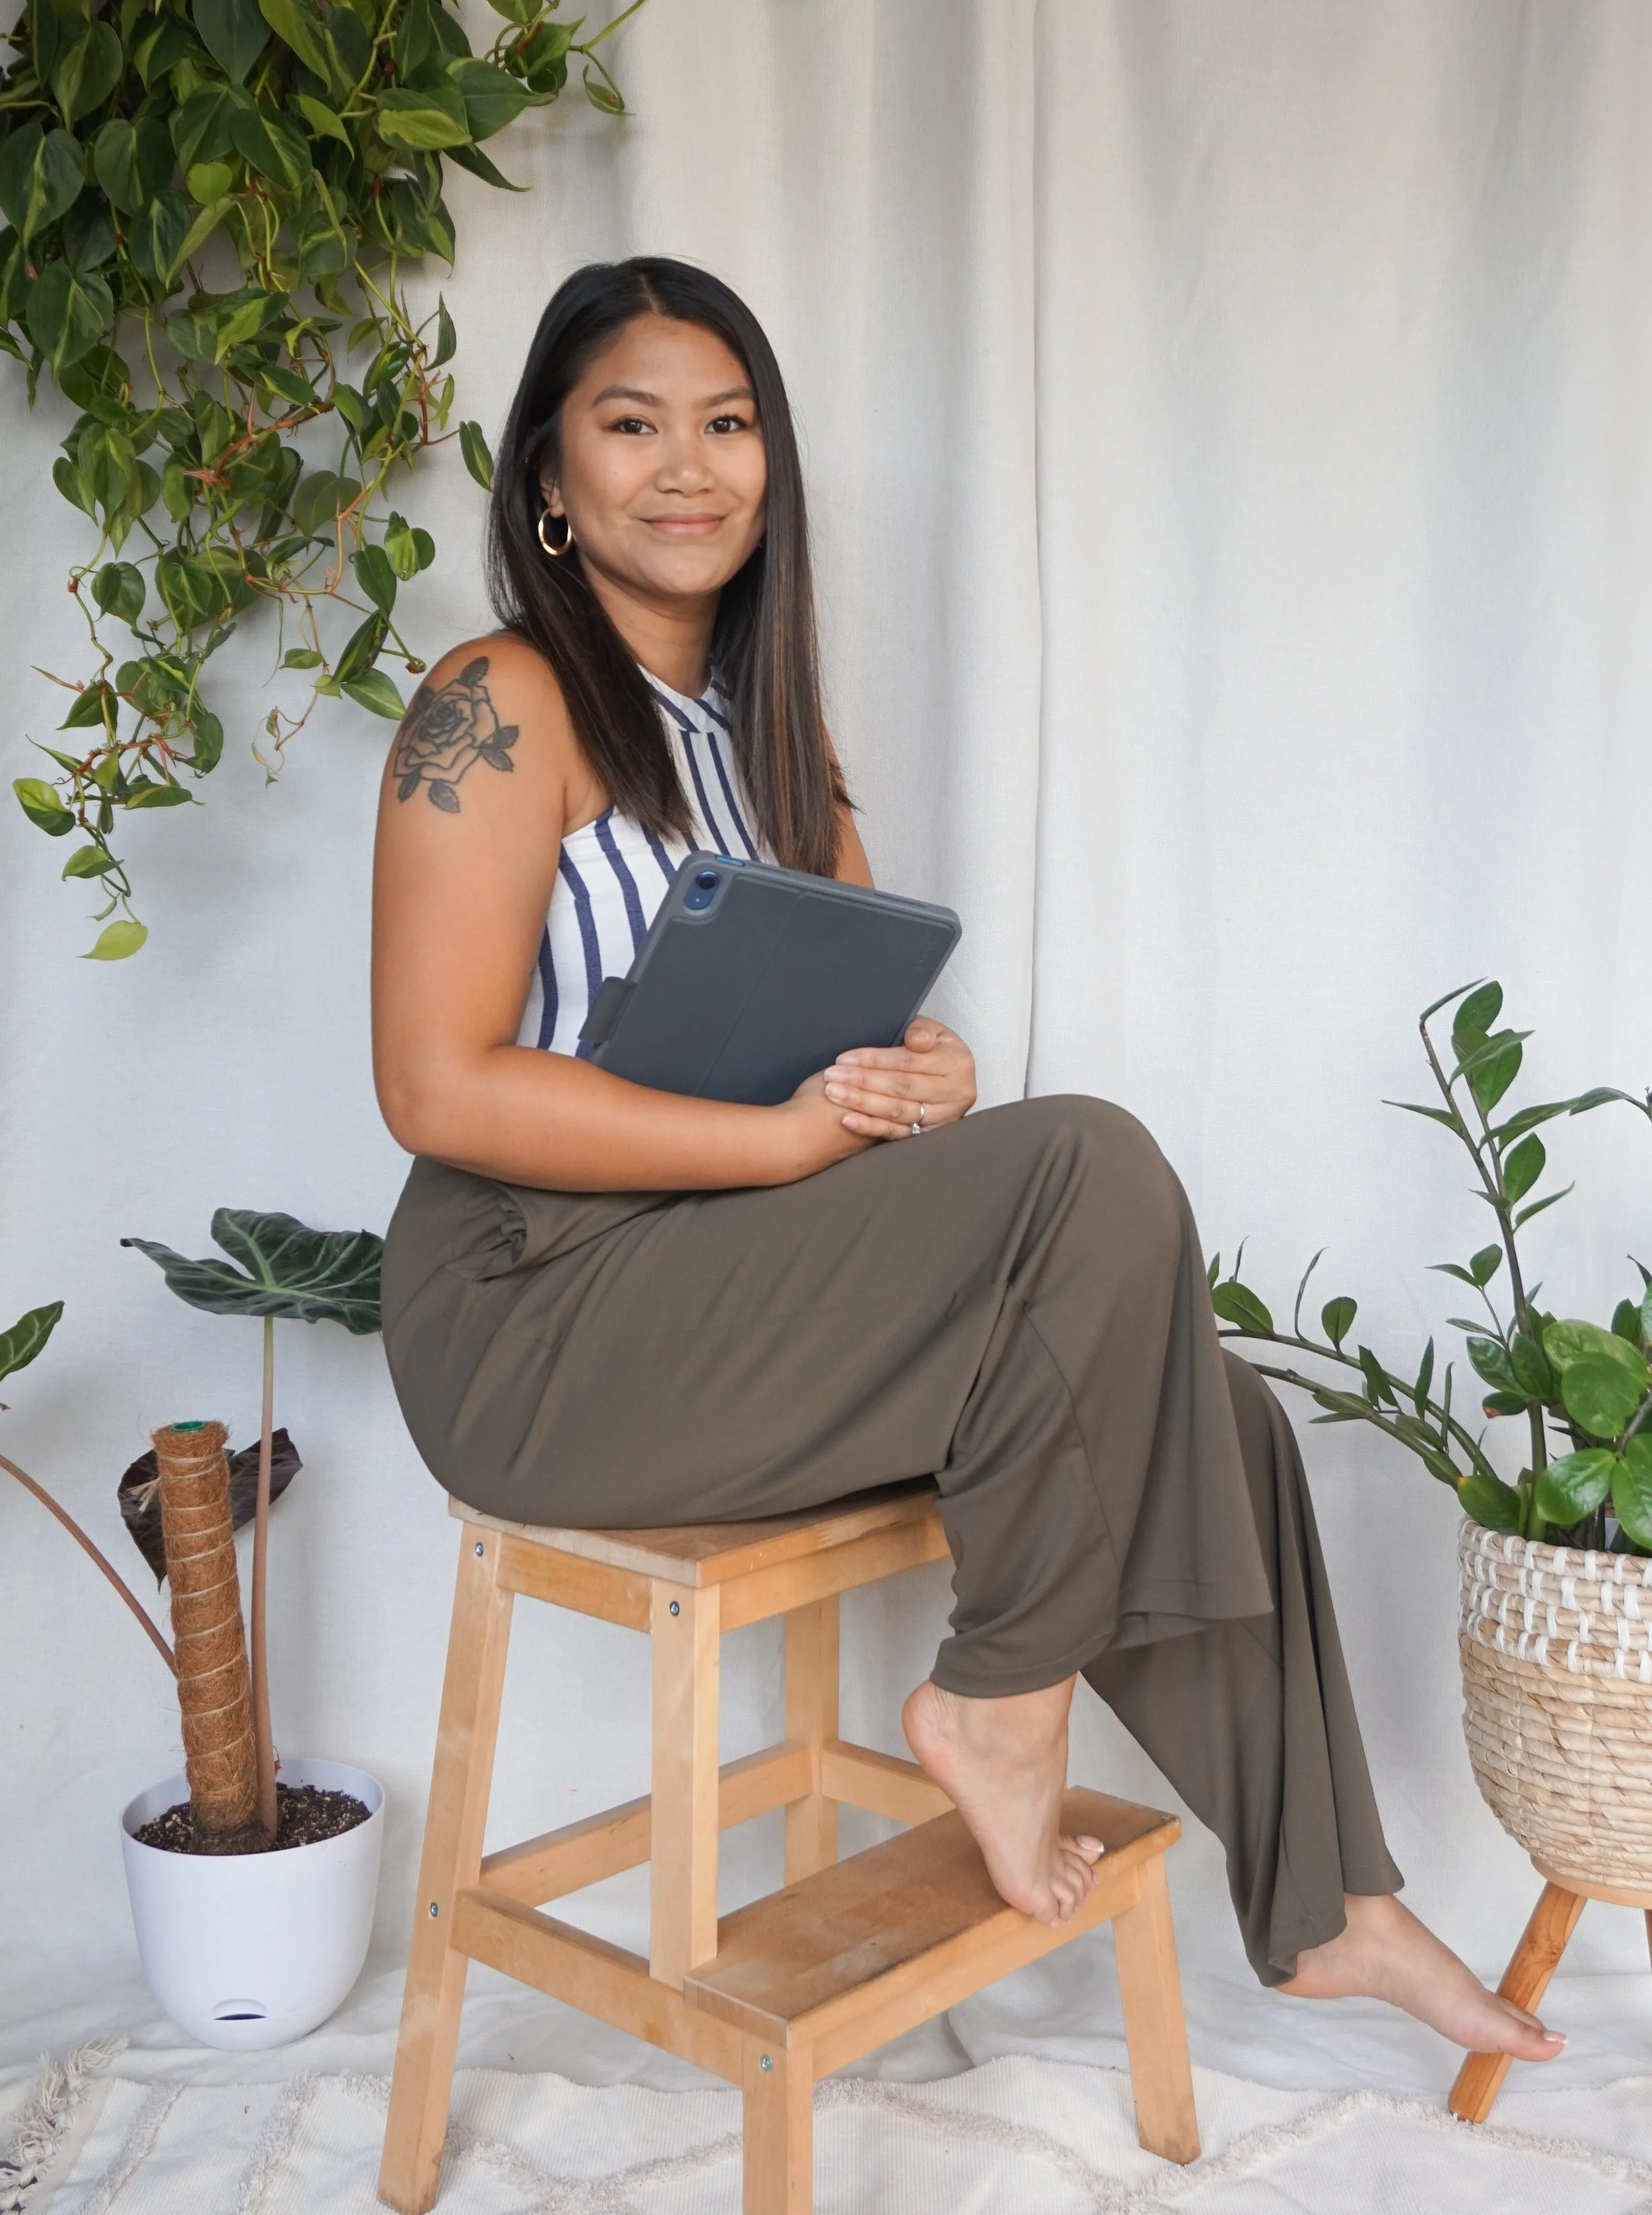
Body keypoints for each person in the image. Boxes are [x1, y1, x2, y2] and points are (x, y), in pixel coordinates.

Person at [372, 254, 1559, 2061]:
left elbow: (826, 1066)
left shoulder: (776, 746)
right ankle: (999, 1703)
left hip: (721, 1283)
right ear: (548, 474)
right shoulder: (504, 697)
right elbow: (435, 1088)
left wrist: (910, 1080)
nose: (686, 466)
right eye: (630, 425)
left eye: (727, 422)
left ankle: (1330, 1904)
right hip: (530, 1310)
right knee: (1087, 1163)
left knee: (1202, 1399)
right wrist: (780, 1144)